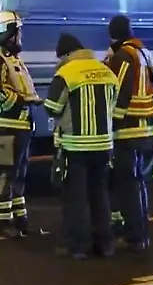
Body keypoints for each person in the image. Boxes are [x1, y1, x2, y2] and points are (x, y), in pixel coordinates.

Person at [44, 33, 119, 259]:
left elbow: (52, 108)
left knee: (75, 198)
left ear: (66, 54)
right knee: (100, 196)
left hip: (75, 146)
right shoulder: (106, 71)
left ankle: (75, 246)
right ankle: (104, 244)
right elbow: (114, 104)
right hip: (104, 144)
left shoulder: (66, 73)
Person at [0, 10, 40, 239]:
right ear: (8, 34)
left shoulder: (11, 58)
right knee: (4, 173)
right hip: (4, 127)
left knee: (18, 175)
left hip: (19, 125)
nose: (20, 37)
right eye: (17, 32)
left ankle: (20, 220)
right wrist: (22, 101)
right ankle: (2, 222)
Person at [104, 15, 153, 251]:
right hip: (146, 128)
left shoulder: (124, 55)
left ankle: (135, 235)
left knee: (127, 184)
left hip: (128, 129)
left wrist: (111, 121)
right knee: (137, 183)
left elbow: (120, 90)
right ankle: (139, 231)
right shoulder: (143, 52)